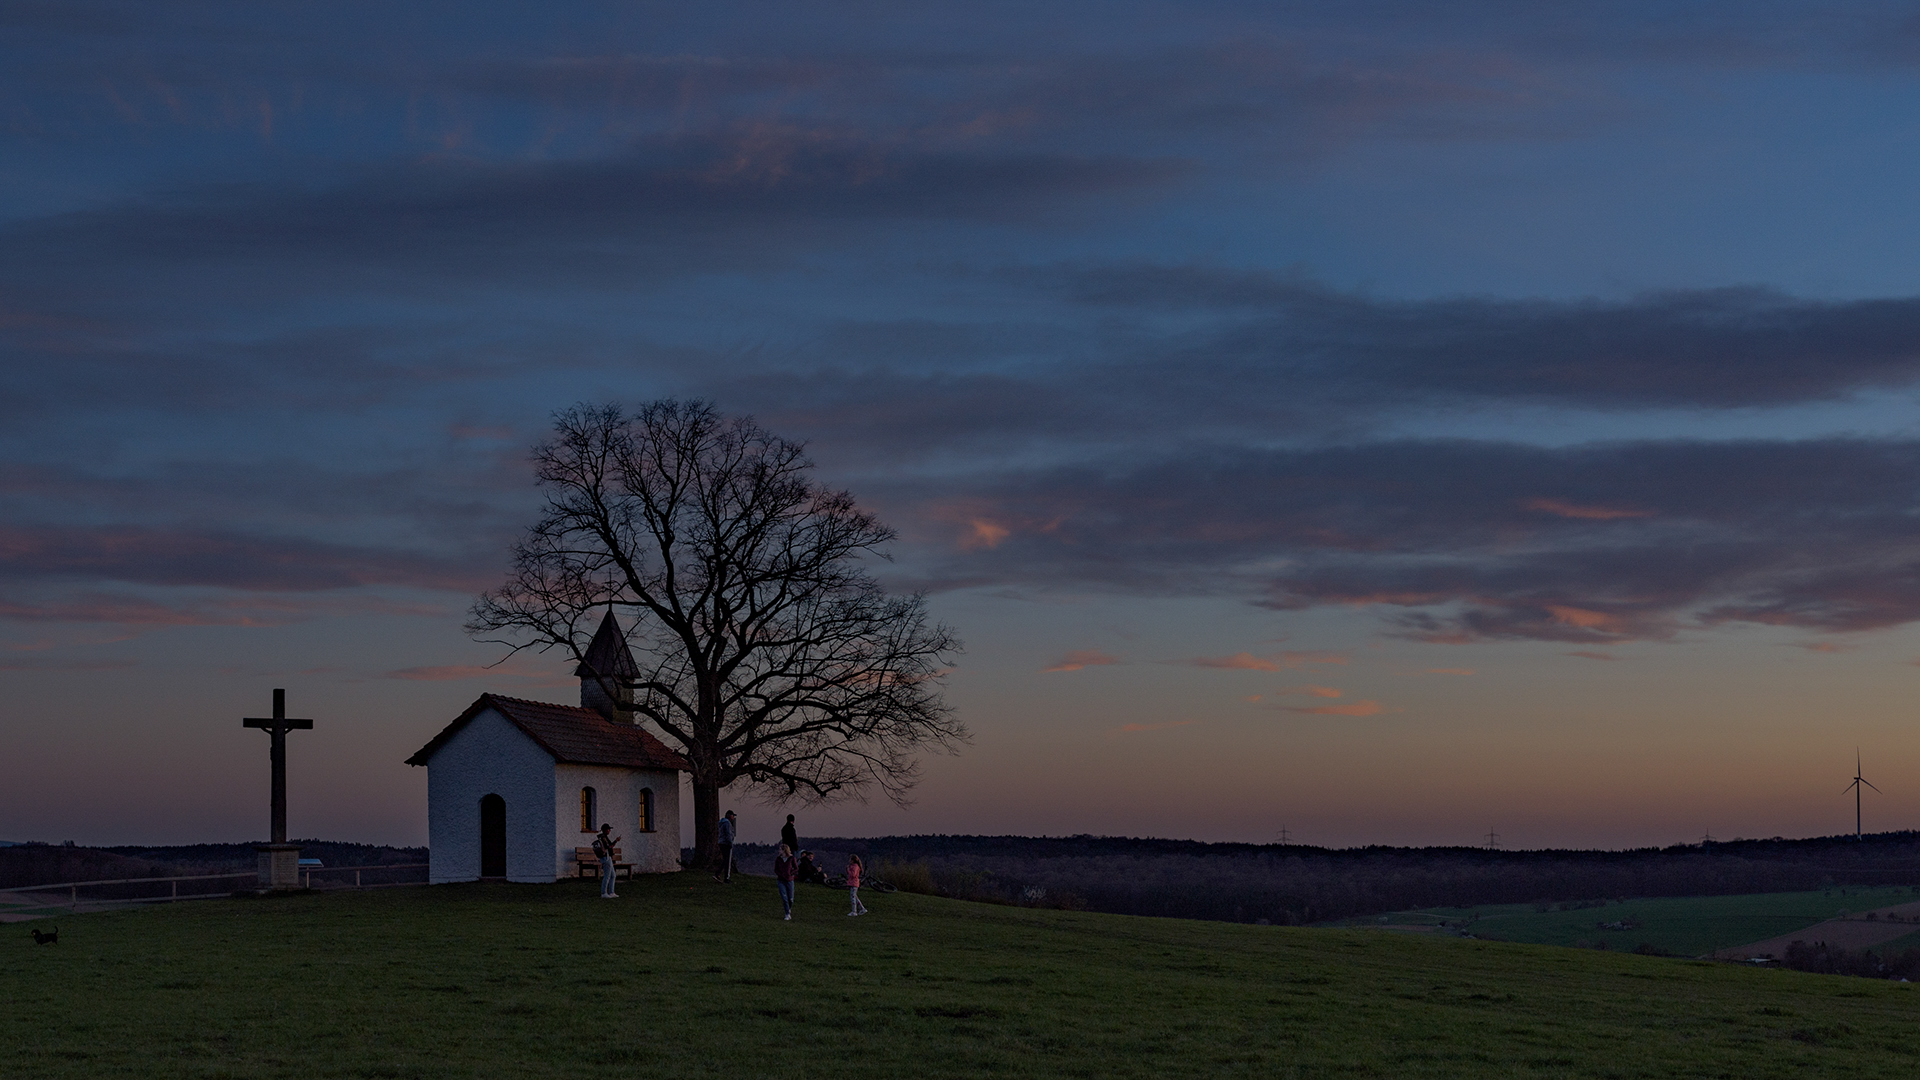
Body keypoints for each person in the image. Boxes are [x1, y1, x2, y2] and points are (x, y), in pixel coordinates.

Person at [592, 823, 622, 899]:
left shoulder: (603, 837)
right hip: (606, 858)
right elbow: (609, 846)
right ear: (605, 830)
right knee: (607, 876)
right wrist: (616, 841)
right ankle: (604, 892)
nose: (609, 831)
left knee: (613, 875)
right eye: (608, 829)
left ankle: (611, 892)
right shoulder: (603, 838)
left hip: (607, 858)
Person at [774, 843, 798, 920]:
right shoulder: (778, 859)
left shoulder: (791, 858)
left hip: (789, 880)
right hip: (781, 880)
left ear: (784, 850)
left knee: (790, 898)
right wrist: (780, 874)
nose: (779, 851)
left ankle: (789, 908)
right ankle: (787, 914)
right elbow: (776, 869)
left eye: (780, 849)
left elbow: (796, 868)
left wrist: (791, 873)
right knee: (784, 897)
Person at [714, 809, 737, 883]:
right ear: (730, 816)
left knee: (725, 860)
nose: (733, 818)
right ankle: (726, 878)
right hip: (726, 844)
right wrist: (730, 842)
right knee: (728, 861)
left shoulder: (722, 823)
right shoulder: (727, 823)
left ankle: (718, 873)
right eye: (733, 816)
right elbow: (728, 834)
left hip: (722, 842)